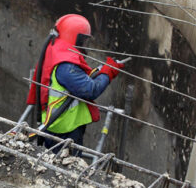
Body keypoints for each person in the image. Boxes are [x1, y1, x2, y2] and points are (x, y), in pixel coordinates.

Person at [26, 14, 123, 152]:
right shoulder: (66, 65)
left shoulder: (57, 48)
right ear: (74, 37)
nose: (85, 45)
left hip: (57, 124)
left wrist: (101, 72)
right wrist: (108, 73)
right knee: (67, 165)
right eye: (83, 40)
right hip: (64, 128)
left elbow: (78, 81)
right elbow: (90, 90)